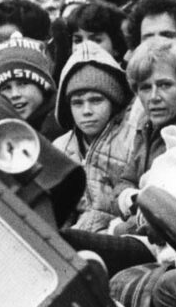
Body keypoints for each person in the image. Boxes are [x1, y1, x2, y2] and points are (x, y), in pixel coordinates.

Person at [53, 42, 133, 232]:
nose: (86, 111)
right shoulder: (60, 147)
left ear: (113, 101)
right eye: (77, 103)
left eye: (96, 100)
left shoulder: (132, 140)